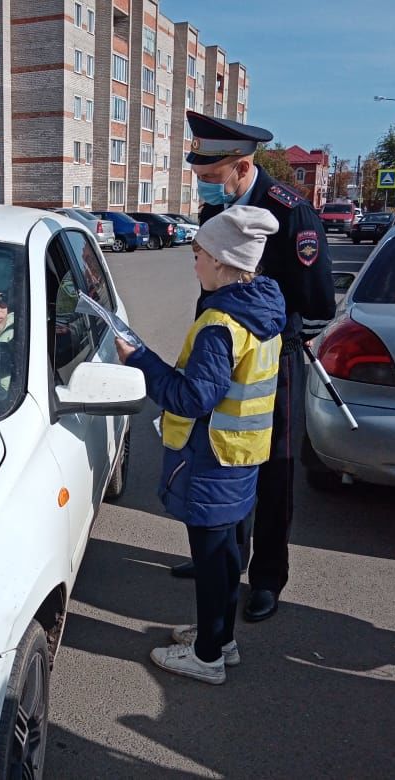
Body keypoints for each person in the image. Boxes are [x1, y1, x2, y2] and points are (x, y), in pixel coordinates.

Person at [170, 110, 336, 624]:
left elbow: (316, 302)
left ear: (242, 167)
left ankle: (266, 578)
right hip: (220, 354)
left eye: (212, 178)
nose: (206, 189)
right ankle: (223, 561)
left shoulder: (290, 213)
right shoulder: (213, 215)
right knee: (222, 457)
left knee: (271, 470)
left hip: (272, 361)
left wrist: (264, 332)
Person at [117, 206, 285, 684]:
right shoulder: (263, 306)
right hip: (242, 452)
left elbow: (192, 398)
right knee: (229, 553)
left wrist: (142, 360)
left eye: (197, 256)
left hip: (210, 457)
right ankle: (220, 638)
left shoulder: (220, 323)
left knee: (213, 559)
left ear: (219, 261)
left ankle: (207, 656)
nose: (193, 264)